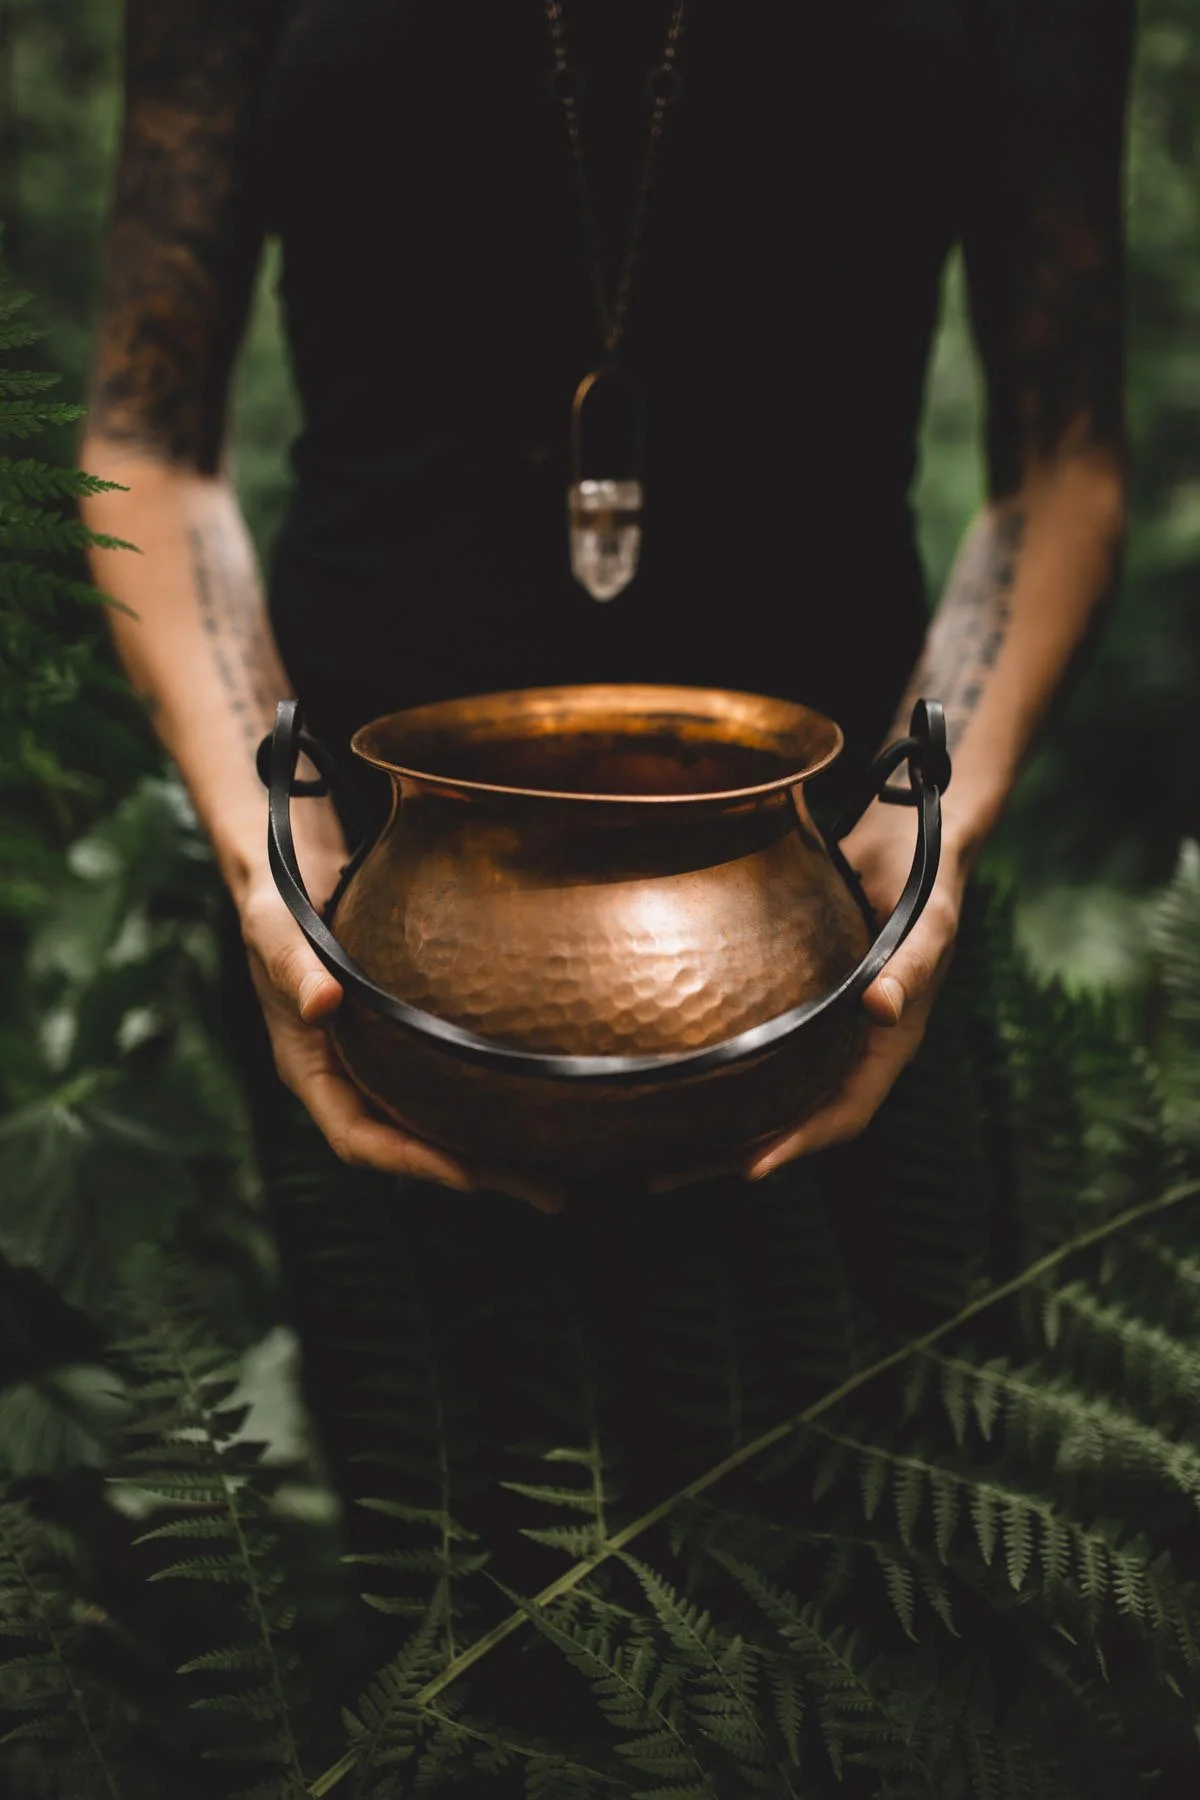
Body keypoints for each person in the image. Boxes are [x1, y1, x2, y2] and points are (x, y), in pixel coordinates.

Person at [80, 0, 1131, 1495]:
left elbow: (1063, 465)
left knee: (875, 1533)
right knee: (439, 1538)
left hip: (834, 908)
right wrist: (278, 849)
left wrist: (927, 829)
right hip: (371, 906)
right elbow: (147, 446)